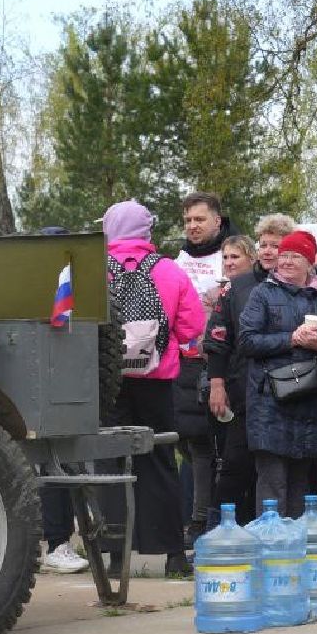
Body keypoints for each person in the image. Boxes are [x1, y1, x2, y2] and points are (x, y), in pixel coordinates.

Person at [100, 199, 206, 577]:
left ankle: (115, 555)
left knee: (110, 463)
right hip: (157, 382)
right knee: (160, 461)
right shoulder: (170, 271)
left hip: (107, 382)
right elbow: (193, 327)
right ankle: (173, 554)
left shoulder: (94, 270)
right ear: (147, 231)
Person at [238, 229, 317, 519]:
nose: (286, 262)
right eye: (284, 256)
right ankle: (271, 550)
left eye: (295, 256)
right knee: (272, 483)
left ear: (310, 263)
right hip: (269, 401)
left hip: (308, 400)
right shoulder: (263, 293)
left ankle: (293, 551)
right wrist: (291, 338)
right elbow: (246, 341)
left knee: (301, 483)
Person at [206, 216, 295, 525]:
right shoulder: (238, 288)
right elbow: (218, 340)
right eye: (264, 244)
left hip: (291, 392)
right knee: (234, 466)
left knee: (285, 469)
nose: (269, 251)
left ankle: (281, 532)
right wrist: (217, 385)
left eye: (277, 245)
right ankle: (218, 533)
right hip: (245, 392)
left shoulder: (304, 287)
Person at [172, 192, 232, 545]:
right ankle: (191, 518)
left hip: (219, 364)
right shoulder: (179, 260)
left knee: (219, 449)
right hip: (185, 364)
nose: (193, 226)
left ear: (217, 221)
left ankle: (213, 518)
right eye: (188, 221)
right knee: (192, 446)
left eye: (199, 219)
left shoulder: (229, 256)